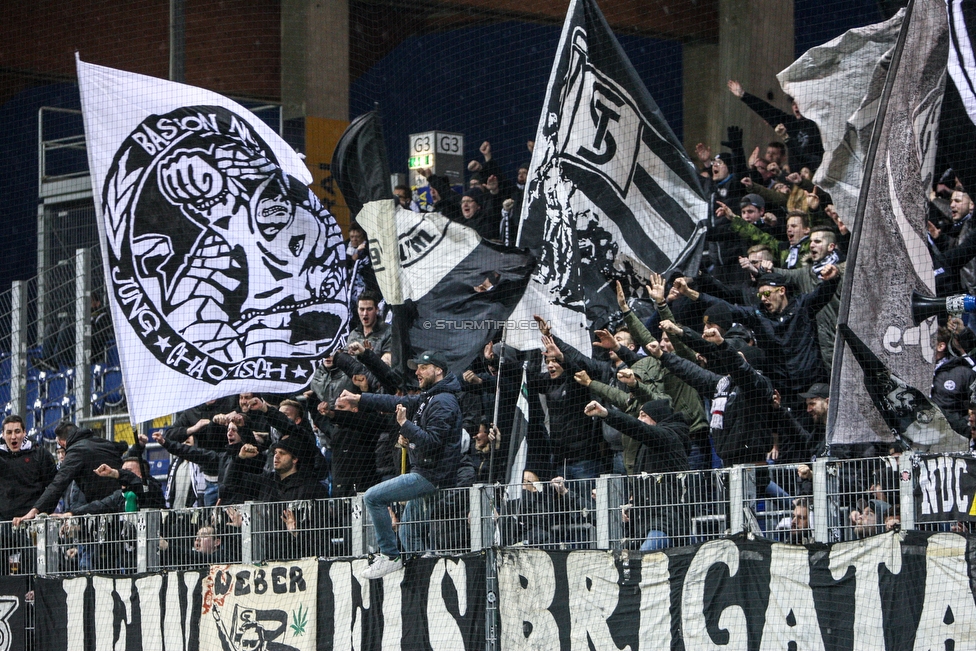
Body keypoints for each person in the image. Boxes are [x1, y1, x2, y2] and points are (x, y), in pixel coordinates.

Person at [335, 350, 463, 579]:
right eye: (417, 368)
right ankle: (422, 580)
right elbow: (396, 400)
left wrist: (405, 425)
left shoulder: (444, 402)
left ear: (438, 370)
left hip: (430, 476)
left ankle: (389, 556)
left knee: (373, 497)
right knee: (408, 534)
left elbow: (433, 443)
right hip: (426, 473)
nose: (418, 372)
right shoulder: (432, 396)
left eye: (423, 368)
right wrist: (360, 399)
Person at [14, 422, 127, 525]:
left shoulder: (76, 451)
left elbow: (58, 483)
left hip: (104, 514)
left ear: (61, 442)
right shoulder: (101, 442)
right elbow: (122, 446)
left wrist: (35, 511)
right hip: (123, 504)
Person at [347, 291, 392, 358]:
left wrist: (370, 357)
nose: (365, 313)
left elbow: (387, 363)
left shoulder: (388, 332)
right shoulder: (353, 334)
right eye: (362, 309)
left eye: (369, 309)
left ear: (377, 309)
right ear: (357, 310)